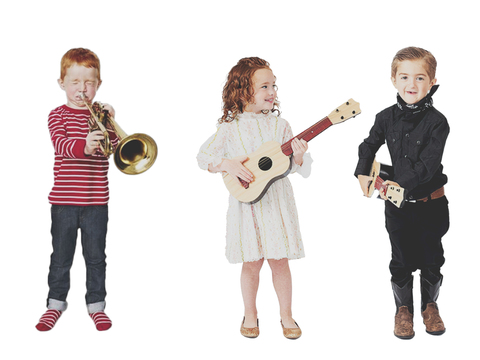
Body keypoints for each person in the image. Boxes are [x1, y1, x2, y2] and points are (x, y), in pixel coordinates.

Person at [197, 57, 313, 339]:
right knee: (251, 263)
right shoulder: (230, 126)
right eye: (264, 86)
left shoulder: (280, 126)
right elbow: (203, 157)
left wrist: (299, 156)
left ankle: (286, 315)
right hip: (247, 205)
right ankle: (250, 313)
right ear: (242, 91)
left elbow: (300, 169)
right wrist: (228, 164)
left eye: (273, 85)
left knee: (280, 261)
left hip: (277, 203)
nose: (272, 92)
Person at [354, 47, 449, 339]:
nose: (412, 84)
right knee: (401, 259)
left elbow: (427, 165)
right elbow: (369, 146)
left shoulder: (438, 122)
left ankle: (430, 307)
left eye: (420, 77)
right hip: (397, 207)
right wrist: (361, 171)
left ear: (432, 81)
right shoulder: (385, 118)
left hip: (432, 204)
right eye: (405, 77)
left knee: (432, 258)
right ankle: (403, 311)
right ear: (393, 80)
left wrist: (400, 182)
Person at [35, 48, 118, 332]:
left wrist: (111, 124)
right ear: (62, 83)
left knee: (96, 258)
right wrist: (85, 144)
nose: (83, 89)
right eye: (75, 82)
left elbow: (120, 152)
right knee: (61, 257)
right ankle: (55, 304)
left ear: (98, 84)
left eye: (89, 82)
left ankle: (97, 306)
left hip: (97, 202)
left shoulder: (103, 117)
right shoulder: (57, 115)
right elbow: (61, 145)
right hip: (64, 203)